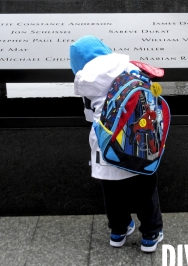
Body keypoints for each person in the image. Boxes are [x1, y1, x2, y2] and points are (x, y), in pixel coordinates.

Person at [70, 36, 164, 253]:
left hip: (106, 145)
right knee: (145, 190)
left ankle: (118, 231)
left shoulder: (86, 81)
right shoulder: (130, 66)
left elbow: (88, 116)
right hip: (140, 140)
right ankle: (151, 234)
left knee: (112, 192)